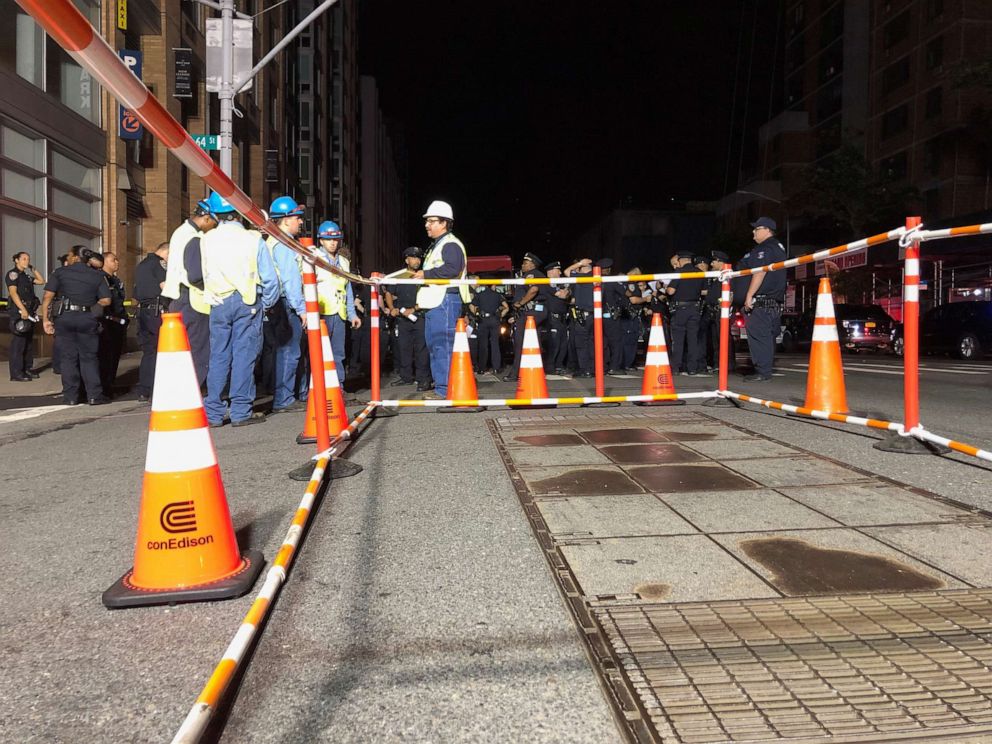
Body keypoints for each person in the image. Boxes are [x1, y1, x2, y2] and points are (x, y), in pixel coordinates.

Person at [200, 193, 280, 427]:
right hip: (247, 302)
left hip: (218, 302)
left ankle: (213, 413)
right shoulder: (253, 238)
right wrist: (266, 304)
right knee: (244, 355)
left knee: (218, 356)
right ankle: (240, 411)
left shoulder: (206, 239)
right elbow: (270, 280)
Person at [412, 200, 471, 400]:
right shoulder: (438, 245)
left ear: (444, 223)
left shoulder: (450, 244)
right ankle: (442, 387)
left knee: (442, 345)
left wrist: (425, 274)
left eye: (432, 221)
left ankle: (445, 390)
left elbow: (452, 269)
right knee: (436, 345)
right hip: (437, 301)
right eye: (427, 221)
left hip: (445, 300)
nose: (427, 225)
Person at [39, 247, 112, 405]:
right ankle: (94, 395)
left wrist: (45, 320)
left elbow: (47, 297)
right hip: (87, 318)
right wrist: (93, 310)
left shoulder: (60, 272)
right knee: (89, 358)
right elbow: (106, 300)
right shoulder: (97, 275)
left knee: (67, 358)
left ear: (73, 257)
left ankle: (71, 396)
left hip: (64, 318)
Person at [162, 197, 219, 386]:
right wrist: (212, 289)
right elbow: (195, 275)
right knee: (199, 351)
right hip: (193, 299)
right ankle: (193, 393)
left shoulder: (181, 232)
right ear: (206, 218)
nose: (214, 227)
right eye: (215, 222)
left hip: (180, 298)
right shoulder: (194, 238)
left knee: (184, 351)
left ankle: (184, 390)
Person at [313, 220, 360, 386]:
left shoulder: (344, 262)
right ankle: (318, 388)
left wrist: (352, 313)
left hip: (339, 313)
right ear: (321, 240)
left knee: (338, 353)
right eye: (328, 239)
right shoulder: (313, 257)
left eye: (335, 239)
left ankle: (337, 388)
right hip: (320, 312)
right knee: (318, 353)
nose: (333, 243)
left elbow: (347, 289)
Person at [741, 217, 787, 381]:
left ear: (767, 230)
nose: (753, 232)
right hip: (773, 302)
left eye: (757, 228)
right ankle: (765, 369)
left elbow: (759, 272)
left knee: (759, 336)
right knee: (768, 335)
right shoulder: (778, 247)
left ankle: (762, 371)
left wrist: (749, 295)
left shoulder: (765, 248)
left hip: (761, 301)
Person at [384, 247, 431, 390]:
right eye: (413, 258)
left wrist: (414, 309)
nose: (417, 261)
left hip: (419, 317)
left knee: (421, 349)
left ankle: (422, 378)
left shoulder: (423, 277)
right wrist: (392, 309)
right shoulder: (400, 276)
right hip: (403, 319)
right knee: (403, 348)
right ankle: (406, 377)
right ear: (406, 260)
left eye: (418, 258)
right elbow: (388, 293)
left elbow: (429, 297)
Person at [133, 242, 170, 402]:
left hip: (142, 311)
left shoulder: (141, 265)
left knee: (148, 352)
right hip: (156, 311)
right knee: (159, 350)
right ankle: (157, 389)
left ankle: (144, 389)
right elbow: (165, 287)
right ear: (167, 251)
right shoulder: (158, 264)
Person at [503, 252, 548, 382]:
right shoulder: (533, 275)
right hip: (534, 312)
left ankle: (515, 373)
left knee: (520, 342)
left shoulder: (532, 274)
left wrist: (520, 303)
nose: (522, 265)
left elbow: (533, 289)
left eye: (525, 263)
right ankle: (537, 371)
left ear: (532, 264)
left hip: (531, 312)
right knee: (535, 341)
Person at [6, 252, 44, 381]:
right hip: (19, 312)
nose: (26, 261)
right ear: (16, 260)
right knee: (19, 343)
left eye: (28, 259)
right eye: (23, 259)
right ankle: (16, 373)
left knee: (28, 343)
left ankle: (27, 369)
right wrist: (22, 309)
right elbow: (13, 293)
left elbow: (41, 281)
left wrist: (33, 269)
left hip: (29, 311)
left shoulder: (26, 276)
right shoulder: (13, 274)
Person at [666, 251, 705, 375]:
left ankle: (676, 367)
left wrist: (665, 288)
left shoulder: (679, 272)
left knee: (678, 339)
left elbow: (671, 291)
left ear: (681, 260)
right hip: (695, 308)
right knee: (693, 339)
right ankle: (692, 368)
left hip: (680, 310)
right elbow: (704, 292)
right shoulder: (700, 273)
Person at [96, 252, 127, 395]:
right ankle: (104, 386)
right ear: (104, 262)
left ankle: (110, 383)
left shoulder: (115, 280)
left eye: (117, 259)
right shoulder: (100, 278)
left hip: (119, 321)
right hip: (107, 322)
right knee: (105, 356)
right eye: (113, 260)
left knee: (115, 355)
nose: (117, 262)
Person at [470, 278, 509, 376]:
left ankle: (482, 368)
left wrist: (476, 314)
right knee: (495, 344)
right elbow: (506, 307)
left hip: (483, 320)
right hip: (494, 320)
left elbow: (472, 305)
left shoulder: (480, 295)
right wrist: (500, 315)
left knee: (483, 345)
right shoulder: (498, 295)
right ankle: (496, 368)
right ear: (493, 285)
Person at [701, 251, 732, 373]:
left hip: (722, 311)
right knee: (715, 340)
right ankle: (717, 364)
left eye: (714, 261)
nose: (712, 263)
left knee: (723, 339)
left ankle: (727, 364)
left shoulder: (728, 275)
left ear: (720, 261)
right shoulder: (717, 276)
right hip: (714, 311)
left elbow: (730, 294)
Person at [565, 258, 595, 378]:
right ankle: (592, 368)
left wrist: (579, 263)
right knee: (591, 342)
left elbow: (567, 271)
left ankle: (585, 370)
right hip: (592, 315)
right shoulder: (595, 277)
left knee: (581, 343)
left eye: (580, 267)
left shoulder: (583, 278)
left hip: (583, 315)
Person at [597, 258, 627, 374]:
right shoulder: (612, 281)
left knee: (602, 342)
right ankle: (614, 367)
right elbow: (624, 293)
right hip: (610, 316)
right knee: (616, 342)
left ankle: (602, 366)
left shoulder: (595, 281)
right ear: (609, 269)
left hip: (598, 316)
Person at [542, 261, 571, 375]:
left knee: (563, 344)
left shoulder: (559, 283)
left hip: (562, 318)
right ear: (552, 271)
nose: (560, 272)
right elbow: (563, 295)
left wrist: (566, 291)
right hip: (552, 318)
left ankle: (559, 365)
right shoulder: (548, 283)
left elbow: (567, 295)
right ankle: (550, 366)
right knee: (554, 343)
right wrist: (567, 290)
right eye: (558, 270)